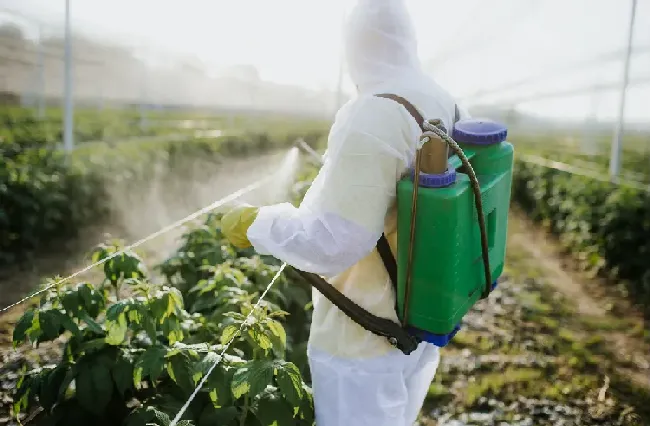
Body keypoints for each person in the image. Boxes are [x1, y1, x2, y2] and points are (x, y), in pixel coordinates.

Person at [221, 0, 468, 424]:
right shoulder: (440, 99)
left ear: (353, 47)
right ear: (408, 41)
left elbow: (335, 240)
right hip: (417, 314)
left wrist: (257, 224)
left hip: (363, 338)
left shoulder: (375, 113)